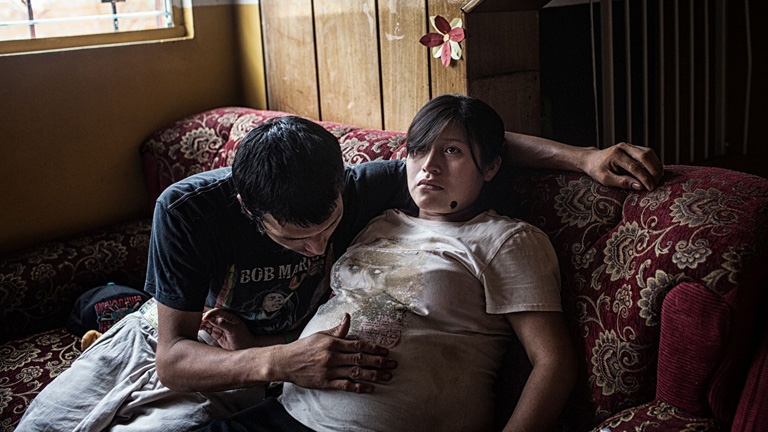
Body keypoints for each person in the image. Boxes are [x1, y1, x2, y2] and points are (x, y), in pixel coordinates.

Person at [17, 102, 660, 431]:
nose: (319, 249)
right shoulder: (188, 211)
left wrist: (582, 157)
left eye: (329, 230)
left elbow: (460, 140)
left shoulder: (370, 189)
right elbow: (174, 356)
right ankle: (111, 306)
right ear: (248, 209)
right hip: (193, 339)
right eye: (297, 240)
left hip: (273, 366)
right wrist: (276, 360)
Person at [196, 94, 576, 432]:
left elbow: (553, 362)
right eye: (418, 150)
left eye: (452, 151)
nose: (429, 166)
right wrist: (256, 347)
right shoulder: (380, 221)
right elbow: (355, 314)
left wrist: (583, 156)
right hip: (286, 411)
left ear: (490, 167)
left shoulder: (506, 240)